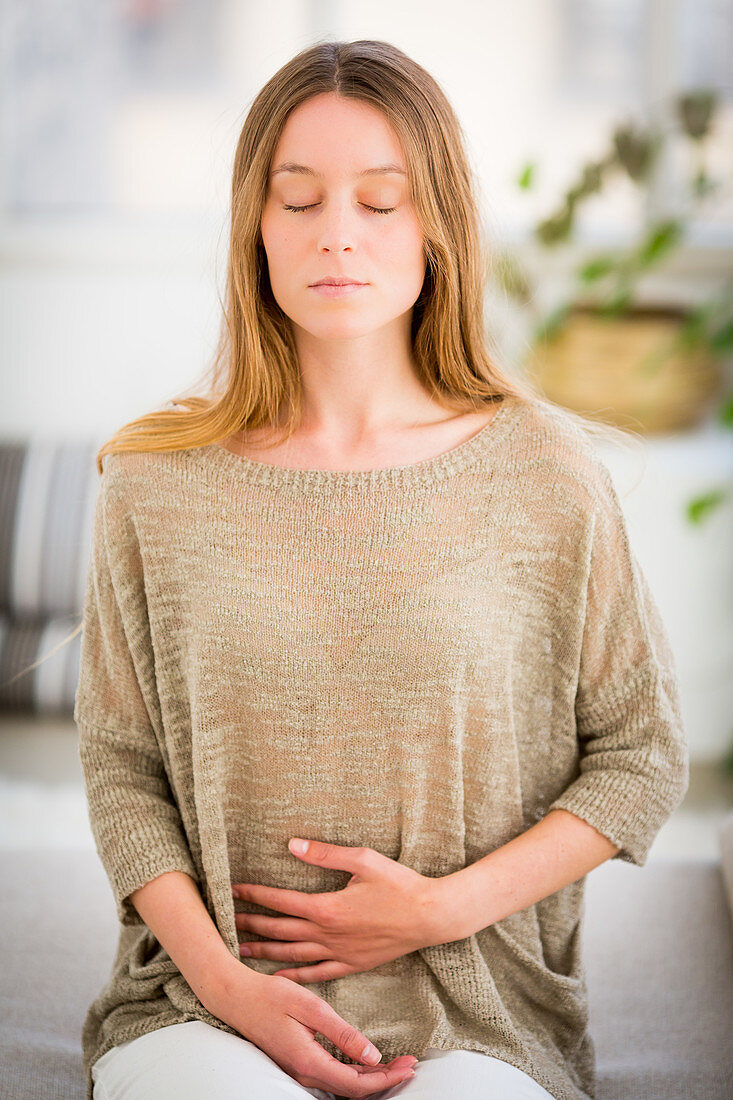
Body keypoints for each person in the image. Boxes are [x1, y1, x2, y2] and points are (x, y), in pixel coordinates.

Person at [74, 39, 689, 1100]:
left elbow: (639, 755)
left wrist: (440, 907)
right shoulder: (152, 479)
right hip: (205, 1006)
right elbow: (124, 770)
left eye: (381, 201)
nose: (337, 236)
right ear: (254, 228)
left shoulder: (546, 472)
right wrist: (228, 983)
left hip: (474, 1015)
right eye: (298, 200)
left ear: (436, 225)